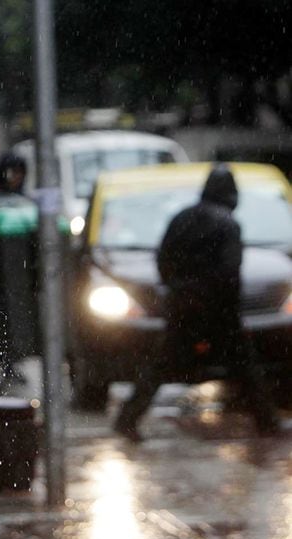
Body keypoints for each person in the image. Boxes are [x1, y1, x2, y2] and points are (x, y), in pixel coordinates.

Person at [113, 164, 280, 442]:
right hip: (217, 310)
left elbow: (163, 259)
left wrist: (177, 290)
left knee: (160, 365)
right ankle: (267, 422)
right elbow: (229, 273)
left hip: (182, 306)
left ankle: (127, 418)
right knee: (244, 366)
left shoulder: (182, 219)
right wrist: (224, 306)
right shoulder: (227, 224)